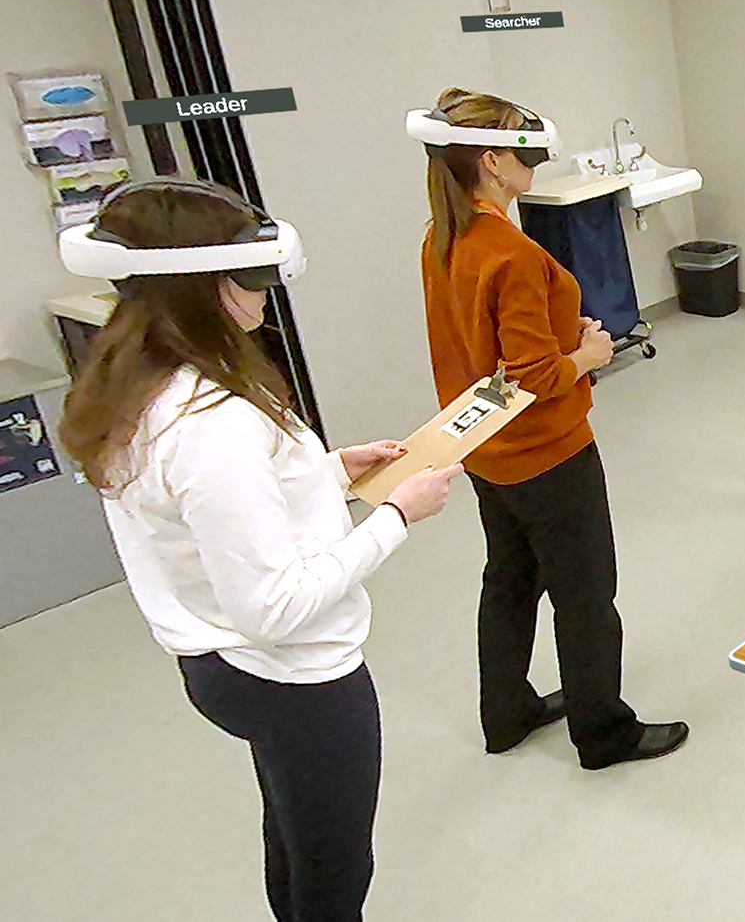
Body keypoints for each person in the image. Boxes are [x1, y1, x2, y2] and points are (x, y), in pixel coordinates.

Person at [56, 179, 462, 922]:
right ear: (196, 288)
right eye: (251, 278)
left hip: (225, 666)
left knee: (294, 837)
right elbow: (272, 604)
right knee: (336, 866)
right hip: (293, 677)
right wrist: (397, 516)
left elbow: (212, 516)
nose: (266, 294)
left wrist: (332, 470)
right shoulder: (210, 422)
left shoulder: (141, 379)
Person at [411, 88, 687, 769]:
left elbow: (489, 358)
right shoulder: (507, 251)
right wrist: (588, 355)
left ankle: (505, 712)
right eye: (522, 149)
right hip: (547, 454)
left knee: (508, 577)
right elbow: (531, 377)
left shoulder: (442, 240)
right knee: (586, 592)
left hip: (487, 454)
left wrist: (566, 342)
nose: (533, 158)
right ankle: (604, 732)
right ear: (493, 161)